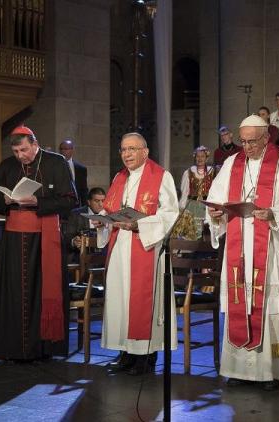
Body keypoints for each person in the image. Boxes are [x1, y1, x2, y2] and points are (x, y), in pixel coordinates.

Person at [205, 114, 279, 391]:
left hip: (273, 249)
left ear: (266, 138)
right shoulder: (232, 163)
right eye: (243, 141)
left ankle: (276, 371)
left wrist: (274, 214)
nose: (247, 147)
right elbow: (216, 199)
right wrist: (215, 212)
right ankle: (240, 371)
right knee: (242, 302)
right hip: (240, 248)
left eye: (253, 141)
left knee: (274, 308)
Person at [0, 125, 77, 361]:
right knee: (14, 291)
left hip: (44, 237)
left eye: (24, 150)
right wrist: (4, 200)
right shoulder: (7, 165)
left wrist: (38, 201)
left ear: (34, 144)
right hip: (14, 238)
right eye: (16, 151)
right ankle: (12, 347)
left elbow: (69, 201)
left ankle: (43, 347)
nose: (20, 156)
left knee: (41, 289)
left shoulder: (56, 163)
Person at [101, 132, 179, 374]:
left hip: (146, 247)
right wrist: (101, 221)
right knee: (121, 301)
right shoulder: (119, 177)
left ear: (145, 152)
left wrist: (139, 225)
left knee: (142, 302)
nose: (126, 154)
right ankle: (125, 353)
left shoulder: (160, 176)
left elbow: (170, 213)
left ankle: (146, 356)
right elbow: (109, 209)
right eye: (123, 150)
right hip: (119, 246)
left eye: (132, 149)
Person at [63, 187, 109, 266]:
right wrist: (74, 241)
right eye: (97, 201)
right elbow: (67, 237)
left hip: (106, 256)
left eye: (103, 201)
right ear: (89, 202)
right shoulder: (76, 214)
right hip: (81, 256)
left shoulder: (110, 214)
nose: (101, 204)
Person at [178, 146, 215, 240]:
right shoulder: (189, 172)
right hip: (192, 206)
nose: (200, 159)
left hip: (206, 206)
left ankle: (205, 250)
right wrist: (182, 207)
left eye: (202, 156)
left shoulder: (212, 172)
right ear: (195, 157)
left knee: (206, 231)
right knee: (192, 230)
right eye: (198, 156)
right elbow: (185, 191)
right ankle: (192, 250)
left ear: (206, 158)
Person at [59, 139, 88, 206]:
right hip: (60, 205)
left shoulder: (81, 168)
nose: (63, 151)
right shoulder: (54, 167)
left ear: (72, 150)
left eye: (66, 149)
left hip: (75, 205)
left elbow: (84, 190)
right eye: (61, 149)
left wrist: (85, 207)